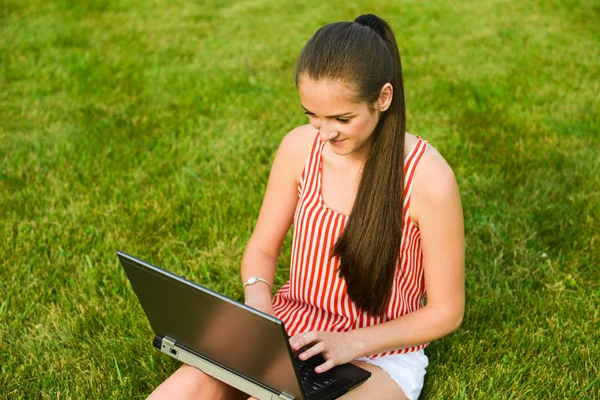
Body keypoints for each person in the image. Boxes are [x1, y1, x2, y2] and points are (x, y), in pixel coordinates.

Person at [147, 14, 464, 400]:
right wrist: (259, 310)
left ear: (383, 98)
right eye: (312, 115)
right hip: (292, 327)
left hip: (378, 355)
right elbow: (263, 249)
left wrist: (349, 344)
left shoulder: (428, 178)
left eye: (342, 118)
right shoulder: (299, 148)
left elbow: (446, 311)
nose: (325, 132)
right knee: (182, 391)